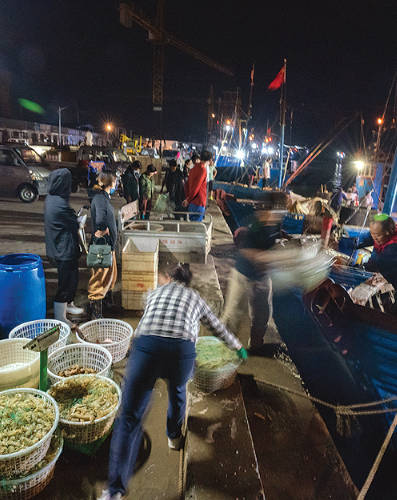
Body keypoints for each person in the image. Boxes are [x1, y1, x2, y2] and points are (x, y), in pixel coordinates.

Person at [101, 264, 246, 500]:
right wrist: (237, 347)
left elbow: (146, 319)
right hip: (181, 352)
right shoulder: (196, 298)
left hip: (146, 348)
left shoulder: (154, 293)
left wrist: (135, 350)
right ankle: (173, 437)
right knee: (178, 392)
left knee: (128, 418)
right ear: (188, 283)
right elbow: (217, 327)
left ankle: (115, 491)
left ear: (169, 279)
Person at [221, 210, 279, 351]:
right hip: (242, 275)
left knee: (263, 314)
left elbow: (274, 241)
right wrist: (267, 258)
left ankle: (256, 345)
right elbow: (246, 250)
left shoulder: (276, 223)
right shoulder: (254, 224)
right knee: (232, 313)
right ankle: (224, 347)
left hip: (262, 276)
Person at [44, 169, 83, 325]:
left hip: (64, 248)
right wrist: (79, 221)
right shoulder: (59, 204)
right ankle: (60, 317)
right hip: (62, 250)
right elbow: (74, 223)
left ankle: (69, 305)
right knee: (66, 283)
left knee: (72, 279)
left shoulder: (53, 197)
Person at [88, 171, 119, 319]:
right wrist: (103, 230)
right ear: (110, 183)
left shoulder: (102, 197)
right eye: (115, 181)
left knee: (110, 278)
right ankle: (96, 315)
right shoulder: (100, 199)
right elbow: (100, 218)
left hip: (108, 247)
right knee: (99, 280)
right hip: (103, 247)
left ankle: (107, 306)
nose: (116, 184)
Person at [183, 150, 213, 221]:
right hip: (199, 202)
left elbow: (186, 184)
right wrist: (188, 200)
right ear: (209, 160)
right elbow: (197, 187)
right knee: (197, 228)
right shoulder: (203, 170)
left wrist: (188, 198)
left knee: (192, 226)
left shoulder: (193, 169)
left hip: (191, 203)